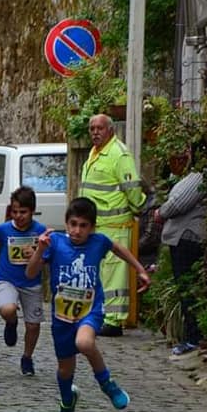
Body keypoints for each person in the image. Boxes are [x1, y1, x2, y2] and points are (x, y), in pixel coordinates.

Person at [25, 197, 150, 412]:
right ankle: (67, 401)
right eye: (73, 224)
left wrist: (140, 270)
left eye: (83, 225)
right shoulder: (55, 243)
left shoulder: (98, 242)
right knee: (65, 369)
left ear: (92, 227)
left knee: (84, 342)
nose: (77, 230)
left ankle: (107, 384)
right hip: (62, 317)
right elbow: (31, 272)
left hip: (90, 310)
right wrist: (40, 249)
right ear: (66, 223)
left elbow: (119, 248)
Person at [78, 114, 147, 336]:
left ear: (110, 130)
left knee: (114, 275)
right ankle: (102, 315)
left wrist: (138, 208)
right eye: (92, 128)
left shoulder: (119, 153)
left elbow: (132, 187)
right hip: (98, 224)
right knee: (102, 274)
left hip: (115, 225)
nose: (95, 132)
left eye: (99, 128)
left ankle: (114, 320)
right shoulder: (97, 152)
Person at [0, 186, 46, 376]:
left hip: (32, 283)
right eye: (14, 211)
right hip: (6, 279)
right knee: (7, 309)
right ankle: (11, 322)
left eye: (23, 212)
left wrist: (37, 254)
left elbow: (48, 256)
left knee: (33, 325)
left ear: (32, 210)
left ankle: (27, 357)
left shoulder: (40, 232)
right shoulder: (4, 229)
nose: (18, 216)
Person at [157, 147, 207, 356]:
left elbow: (178, 203)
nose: (185, 154)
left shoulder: (200, 177)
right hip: (183, 238)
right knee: (185, 288)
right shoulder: (197, 176)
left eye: (189, 150)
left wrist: (161, 211)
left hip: (187, 238)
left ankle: (193, 338)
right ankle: (191, 336)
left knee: (187, 288)